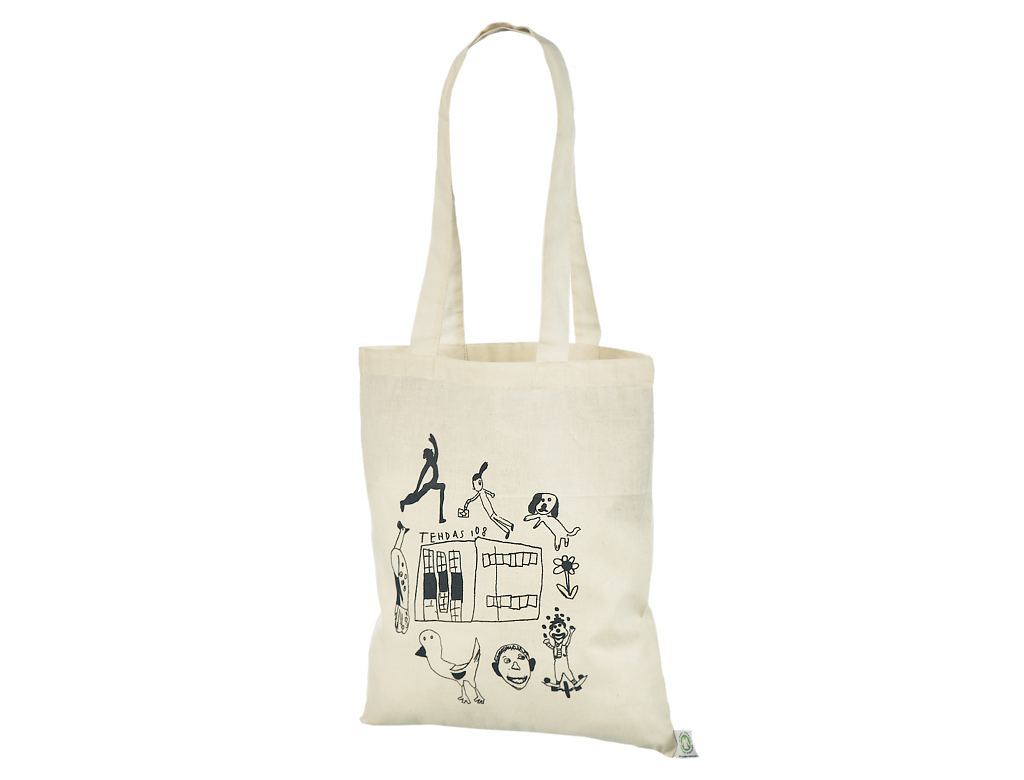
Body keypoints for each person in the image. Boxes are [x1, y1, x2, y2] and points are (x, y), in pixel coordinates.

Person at [400, 433, 446, 524]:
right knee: (416, 498)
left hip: (432, 483)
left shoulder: (433, 461)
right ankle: (404, 502)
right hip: (429, 485)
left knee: (442, 486)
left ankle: (441, 517)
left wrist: (433, 442)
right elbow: (421, 477)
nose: (432, 454)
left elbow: (437, 451)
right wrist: (416, 489)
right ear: (428, 455)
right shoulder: (428, 463)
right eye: (430, 454)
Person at [460, 462, 513, 538]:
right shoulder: (481, 492)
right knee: (495, 518)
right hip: (488, 509)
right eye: (474, 485)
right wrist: (469, 501)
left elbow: (474, 498)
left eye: (478, 483)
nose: (475, 487)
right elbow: (475, 497)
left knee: (495, 518)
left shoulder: (481, 491)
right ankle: (509, 527)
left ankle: (508, 529)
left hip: (489, 509)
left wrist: (469, 501)